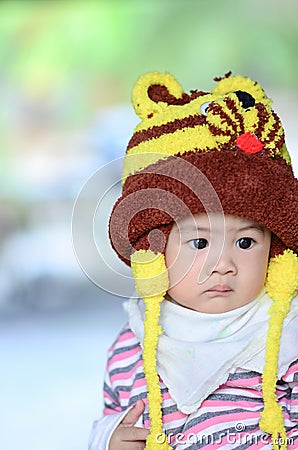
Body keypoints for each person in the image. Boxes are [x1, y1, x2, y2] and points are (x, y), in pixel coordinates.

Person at [89, 71, 298, 449]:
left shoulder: (287, 336)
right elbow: (112, 416)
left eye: (247, 242)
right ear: (153, 254)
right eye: (200, 242)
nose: (223, 264)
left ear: (277, 251)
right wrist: (109, 440)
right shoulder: (131, 348)